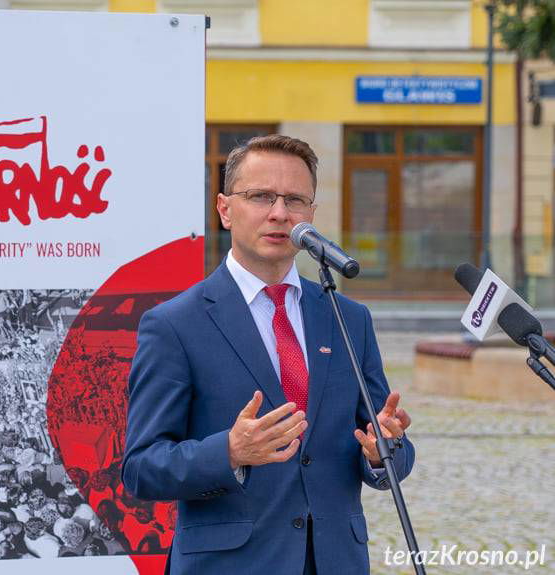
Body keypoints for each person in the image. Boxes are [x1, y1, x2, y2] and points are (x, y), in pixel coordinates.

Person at [122, 135, 414, 575]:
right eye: (260, 196)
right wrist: (230, 451)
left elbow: (388, 448)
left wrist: (383, 450)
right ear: (224, 209)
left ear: (311, 216)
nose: (280, 213)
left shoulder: (348, 316)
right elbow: (142, 468)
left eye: (295, 199)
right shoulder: (174, 324)